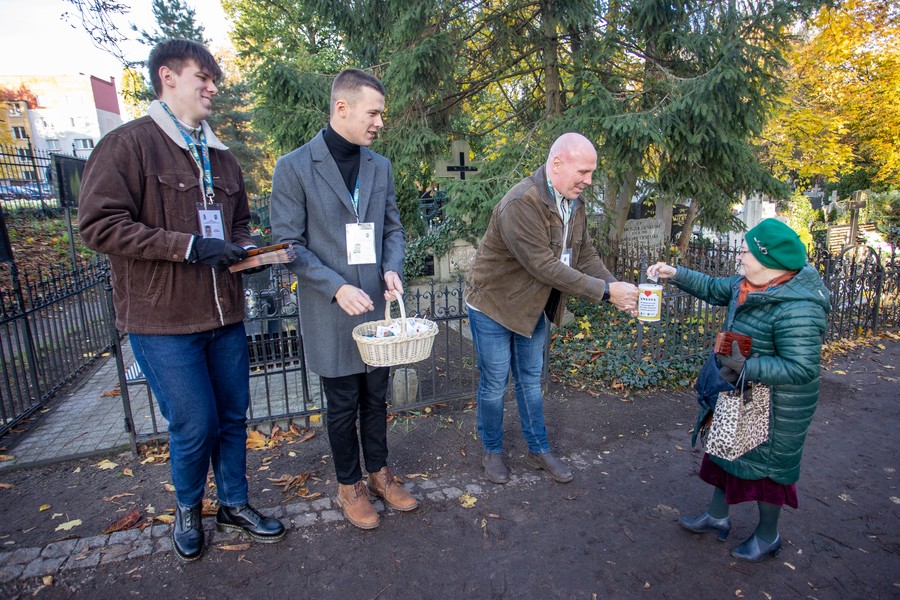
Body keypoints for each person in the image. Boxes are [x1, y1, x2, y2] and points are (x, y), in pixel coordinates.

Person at [78, 39, 285, 561]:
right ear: (168, 77)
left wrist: (250, 248)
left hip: (226, 314)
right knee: (196, 423)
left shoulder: (221, 155)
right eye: (204, 77)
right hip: (162, 321)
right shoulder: (128, 145)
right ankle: (189, 510)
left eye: (214, 79)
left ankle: (234, 504)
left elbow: (235, 223)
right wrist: (190, 247)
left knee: (234, 416)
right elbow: (99, 226)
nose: (213, 88)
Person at [270, 69, 416, 530]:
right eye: (373, 113)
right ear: (342, 108)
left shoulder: (380, 166)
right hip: (331, 308)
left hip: (376, 307)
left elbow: (393, 228)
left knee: (376, 398)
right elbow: (287, 244)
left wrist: (392, 266)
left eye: (381, 115)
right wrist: (334, 285)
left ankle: (379, 475)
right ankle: (348, 484)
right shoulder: (293, 167)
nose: (379, 123)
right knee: (342, 405)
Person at [647, 218, 830, 562]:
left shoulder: (800, 307)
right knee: (724, 451)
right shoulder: (747, 284)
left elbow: (802, 367)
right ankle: (717, 517)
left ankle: (767, 536)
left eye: (745, 251)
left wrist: (747, 367)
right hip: (743, 391)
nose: (739, 256)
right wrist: (676, 274)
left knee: (767, 472)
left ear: (768, 259)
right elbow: (714, 287)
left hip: (778, 405)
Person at [464, 132, 639, 485]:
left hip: (532, 307)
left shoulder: (573, 202)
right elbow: (545, 266)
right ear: (557, 164)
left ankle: (538, 448)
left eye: (592, 173)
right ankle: (493, 451)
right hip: (494, 306)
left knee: (530, 381)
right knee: (496, 383)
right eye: (584, 172)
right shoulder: (521, 203)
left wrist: (615, 286)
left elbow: (584, 254)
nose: (589, 181)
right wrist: (606, 294)